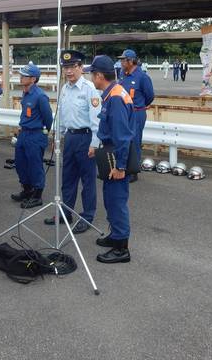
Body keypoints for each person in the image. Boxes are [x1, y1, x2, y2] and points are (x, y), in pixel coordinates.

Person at [44, 50, 100, 234]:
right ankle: (65, 213)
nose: (68, 71)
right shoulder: (65, 88)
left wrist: (94, 143)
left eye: (72, 67)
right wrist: (56, 135)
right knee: (67, 178)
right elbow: (61, 115)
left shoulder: (89, 88)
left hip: (85, 138)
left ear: (81, 67)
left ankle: (87, 216)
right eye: (65, 67)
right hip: (70, 138)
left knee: (87, 180)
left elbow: (96, 119)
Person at [84, 55, 133, 264]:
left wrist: (120, 166)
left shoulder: (114, 97)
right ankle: (115, 236)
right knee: (110, 198)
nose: (91, 78)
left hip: (117, 155)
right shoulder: (112, 92)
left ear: (98, 75)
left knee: (116, 201)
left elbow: (122, 136)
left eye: (92, 74)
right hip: (110, 151)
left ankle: (121, 248)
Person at [10, 61, 53, 209]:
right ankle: (27, 190)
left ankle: (37, 195)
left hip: (35, 135)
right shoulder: (25, 92)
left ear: (33, 79)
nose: (21, 77)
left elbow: (48, 119)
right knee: (21, 164)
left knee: (35, 166)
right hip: (24, 134)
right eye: (21, 74)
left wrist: (44, 134)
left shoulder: (40, 96)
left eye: (25, 75)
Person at [118, 49, 154, 183]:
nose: (121, 62)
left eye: (123, 60)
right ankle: (123, 166)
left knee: (135, 141)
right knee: (124, 140)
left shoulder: (142, 77)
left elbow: (150, 96)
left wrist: (141, 105)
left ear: (131, 61)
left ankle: (133, 170)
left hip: (137, 112)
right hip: (124, 112)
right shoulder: (122, 74)